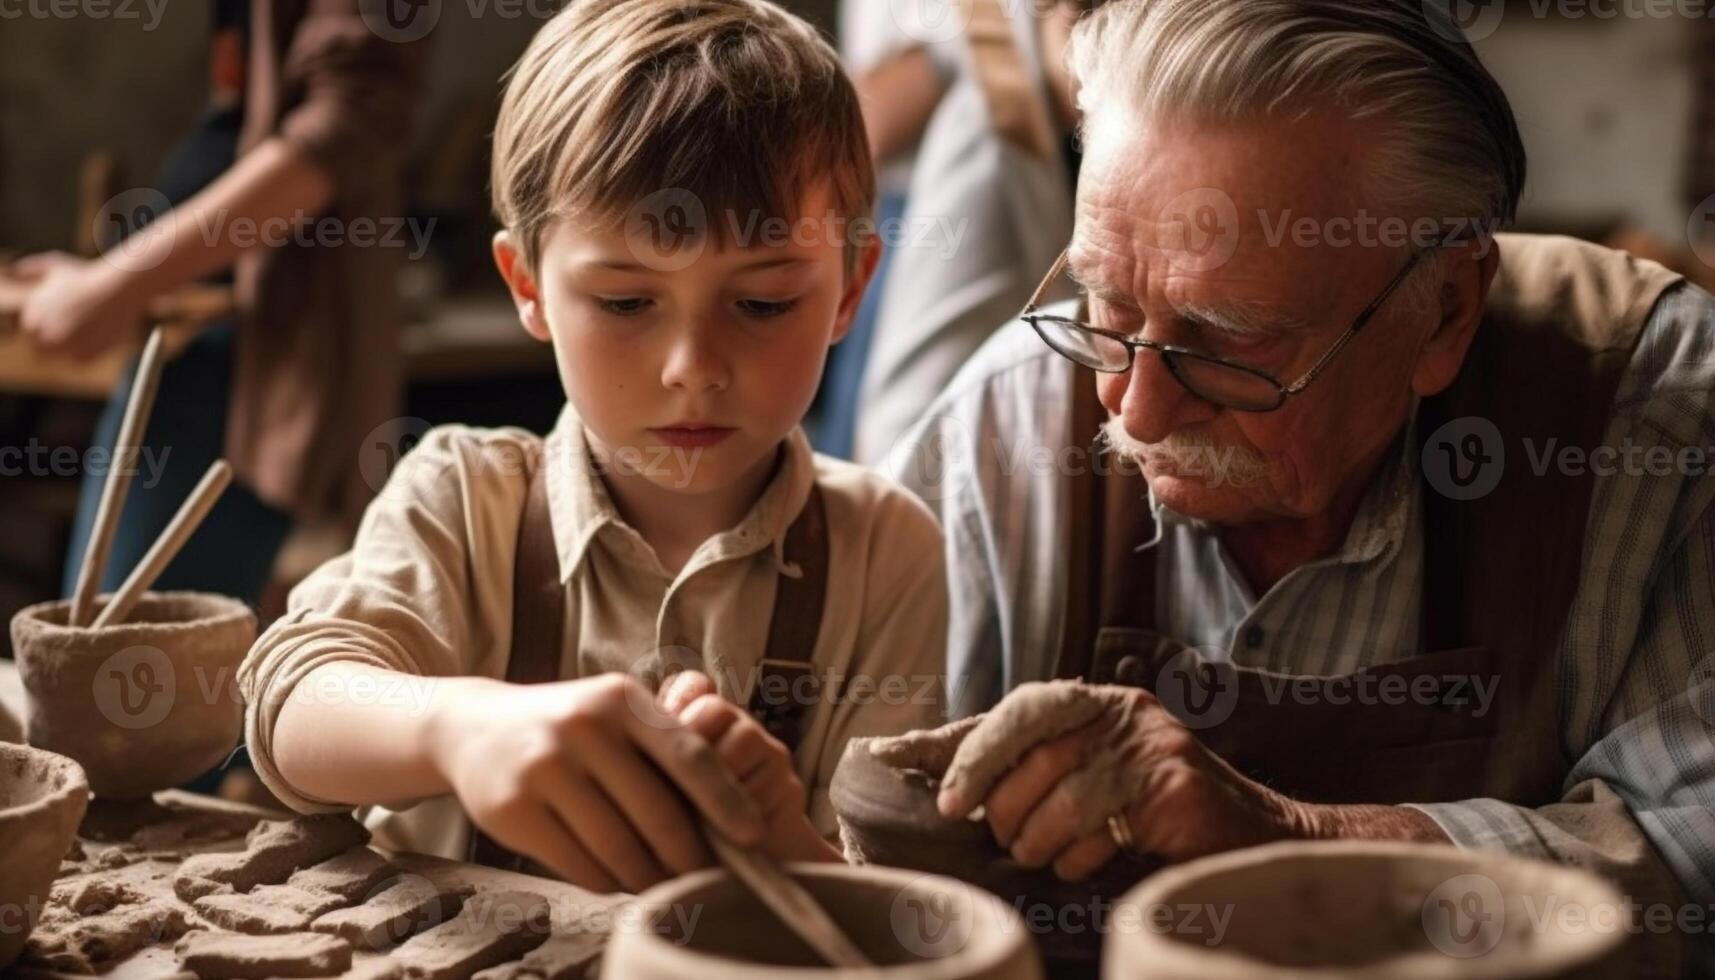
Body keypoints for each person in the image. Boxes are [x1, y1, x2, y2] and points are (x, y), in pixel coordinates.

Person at [888, 1, 1715, 974]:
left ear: (1442, 309)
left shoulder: (1649, 417)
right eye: (1105, 307)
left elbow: (1691, 857)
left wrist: (1289, 833)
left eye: (1231, 341)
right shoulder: (1006, 428)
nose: (1139, 410)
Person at [237, 0, 949, 894]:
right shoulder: (465, 498)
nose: (693, 369)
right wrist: (461, 730)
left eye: (763, 303)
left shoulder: (888, 552)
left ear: (849, 288)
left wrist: (778, 841)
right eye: (624, 302)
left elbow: (898, 921)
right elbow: (289, 706)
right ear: (527, 286)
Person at [15, 0, 427, 608]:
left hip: (248, 351)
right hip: (181, 326)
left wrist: (117, 283)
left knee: (122, 654)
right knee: (100, 644)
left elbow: (350, 118)